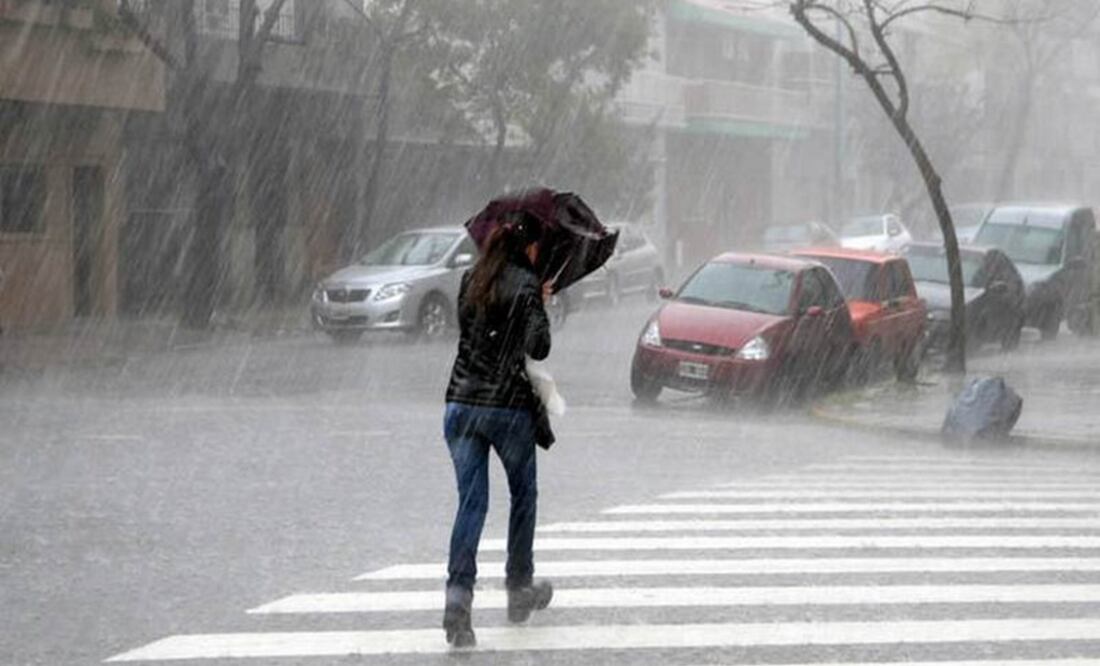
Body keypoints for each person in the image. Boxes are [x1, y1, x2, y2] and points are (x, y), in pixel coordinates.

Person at [441, 211, 554, 648]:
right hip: (506, 408)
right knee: (523, 496)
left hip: (460, 405)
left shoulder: (472, 279)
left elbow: (470, 334)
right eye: (537, 247)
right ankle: (518, 588)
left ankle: (457, 603)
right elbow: (537, 347)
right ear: (528, 247)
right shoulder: (526, 284)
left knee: (471, 504)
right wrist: (539, 305)